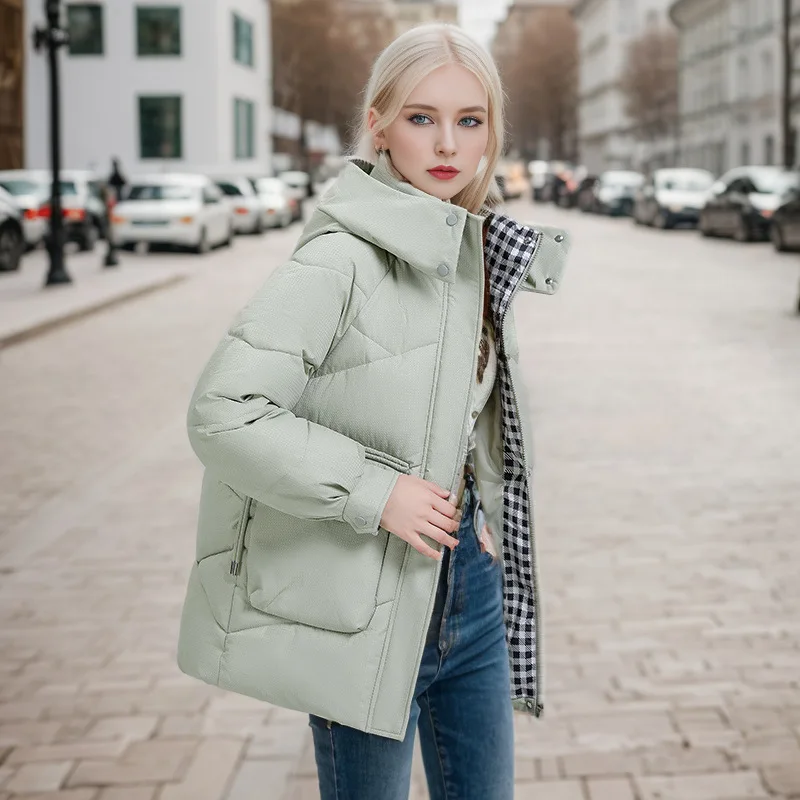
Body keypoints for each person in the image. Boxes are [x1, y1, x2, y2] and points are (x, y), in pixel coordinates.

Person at [176, 23, 570, 800]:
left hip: (470, 591)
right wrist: (376, 492)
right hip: (364, 600)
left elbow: (465, 415)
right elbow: (223, 411)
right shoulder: (340, 258)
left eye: (471, 119)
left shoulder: (473, 251)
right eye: (422, 117)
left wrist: (481, 504)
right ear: (380, 122)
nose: (448, 143)